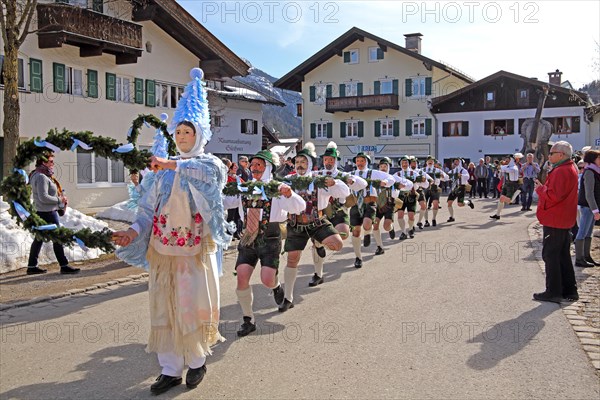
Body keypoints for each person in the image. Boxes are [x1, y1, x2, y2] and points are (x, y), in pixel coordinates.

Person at [112, 68, 231, 395]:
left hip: (193, 255)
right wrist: (134, 232)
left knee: (190, 307)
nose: (180, 137)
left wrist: (170, 165)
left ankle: (195, 362)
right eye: (177, 132)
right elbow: (147, 210)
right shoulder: (160, 175)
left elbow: (207, 177)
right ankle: (169, 369)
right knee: (163, 309)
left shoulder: (209, 165)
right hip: (163, 254)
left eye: (187, 132)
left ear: (201, 136)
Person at [223, 150, 305, 336]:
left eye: (259, 164)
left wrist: (290, 194)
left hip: (270, 237)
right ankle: (248, 319)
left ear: (268, 167)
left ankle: (276, 286)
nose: (255, 168)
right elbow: (226, 202)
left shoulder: (277, 188)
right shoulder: (244, 188)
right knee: (242, 275)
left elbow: (300, 207)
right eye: (253, 165)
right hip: (248, 237)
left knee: (267, 279)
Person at [279, 143, 348, 311]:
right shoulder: (288, 181)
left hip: (318, 222)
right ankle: (288, 298)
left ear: (310, 164)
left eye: (303, 161)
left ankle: (318, 247)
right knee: (293, 258)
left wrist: (333, 184)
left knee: (337, 244)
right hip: (296, 224)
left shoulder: (319, 180)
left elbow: (344, 192)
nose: (300, 165)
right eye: (297, 162)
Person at [313, 142, 367, 284]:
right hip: (322, 211)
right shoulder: (317, 174)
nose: (328, 162)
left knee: (343, 234)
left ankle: (358, 256)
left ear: (336, 161)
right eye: (326, 159)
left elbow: (363, 184)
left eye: (331, 160)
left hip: (339, 210)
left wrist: (352, 180)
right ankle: (318, 275)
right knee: (316, 242)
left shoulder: (343, 174)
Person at [533, 141, 579, 303]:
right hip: (563, 218)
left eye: (551, 153)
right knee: (562, 255)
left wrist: (540, 189)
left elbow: (554, 196)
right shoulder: (568, 168)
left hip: (556, 218)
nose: (549, 156)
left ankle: (553, 291)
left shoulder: (561, 171)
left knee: (550, 255)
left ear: (561, 155)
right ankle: (569, 290)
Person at [26, 151, 80, 275]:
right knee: (58, 238)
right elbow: (43, 197)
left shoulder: (38, 174)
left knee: (39, 239)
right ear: (44, 162)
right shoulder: (41, 176)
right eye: (51, 161)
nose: (53, 164)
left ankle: (32, 266)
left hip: (41, 211)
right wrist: (59, 200)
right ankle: (64, 265)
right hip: (48, 212)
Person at [350, 152, 394, 268]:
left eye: (362, 161)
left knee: (367, 224)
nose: (359, 163)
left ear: (367, 162)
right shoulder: (351, 174)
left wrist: (385, 182)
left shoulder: (373, 173)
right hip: (355, 204)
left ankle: (368, 233)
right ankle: (358, 258)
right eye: (358, 161)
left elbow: (390, 178)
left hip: (370, 202)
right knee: (356, 232)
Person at [574, 149, 600, 267]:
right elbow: (589, 193)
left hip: (592, 207)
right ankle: (579, 258)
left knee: (588, 233)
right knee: (582, 232)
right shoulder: (589, 172)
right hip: (588, 206)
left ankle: (586, 256)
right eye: (598, 158)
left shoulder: (595, 171)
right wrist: (595, 210)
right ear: (592, 159)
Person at [490, 155, 520, 220]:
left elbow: (507, 169)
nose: (505, 161)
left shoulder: (514, 168)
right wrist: (498, 167)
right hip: (507, 184)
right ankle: (497, 214)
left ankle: (518, 191)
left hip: (512, 184)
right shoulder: (508, 166)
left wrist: (501, 166)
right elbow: (502, 169)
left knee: (508, 200)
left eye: (507, 160)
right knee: (501, 199)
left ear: (511, 160)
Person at [446, 158, 475, 222]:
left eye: (457, 161)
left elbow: (468, 177)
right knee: (449, 202)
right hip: (454, 187)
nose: (455, 163)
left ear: (460, 163)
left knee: (460, 204)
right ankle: (451, 217)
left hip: (461, 187)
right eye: (455, 161)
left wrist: (461, 175)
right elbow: (447, 176)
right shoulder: (453, 171)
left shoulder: (463, 170)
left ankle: (468, 202)